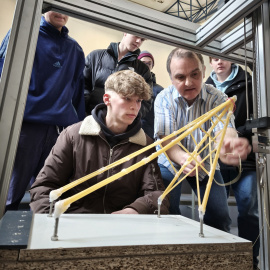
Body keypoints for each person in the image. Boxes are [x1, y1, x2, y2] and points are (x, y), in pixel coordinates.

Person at [29, 70, 170, 215]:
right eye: (127, 98)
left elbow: (156, 195)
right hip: (75, 223)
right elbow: (43, 188)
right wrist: (55, 224)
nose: (135, 107)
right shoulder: (72, 136)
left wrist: (133, 210)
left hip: (121, 228)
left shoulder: (145, 145)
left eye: (139, 100)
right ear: (107, 99)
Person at [154, 48, 251, 233]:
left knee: (220, 216)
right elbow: (168, 141)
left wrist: (227, 144)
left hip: (206, 162)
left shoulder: (218, 98)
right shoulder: (163, 99)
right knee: (166, 211)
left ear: (204, 71)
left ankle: (217, 260)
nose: (189, 82)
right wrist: (184, 159)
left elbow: (224, 129)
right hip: (170, 163)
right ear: (171, 78)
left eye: (195, 74)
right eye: (180, 77)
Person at [0, 11, 85, 211]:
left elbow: (78, 96)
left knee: (46, 198)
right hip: (23, 129)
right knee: (9, 196)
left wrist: (78, 133)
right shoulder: (23, 35)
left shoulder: (75, 50)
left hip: (58, 133)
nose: (62, 13)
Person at [205, 57, 259, 270]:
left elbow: (257, 119)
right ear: (210, 62)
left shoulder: (250, 83)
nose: (219, 62)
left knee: (249, 210)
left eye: (223, 57)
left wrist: (238, 137)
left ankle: (249, 262)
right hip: (215, 160)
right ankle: (219, 262)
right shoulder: (205, 87)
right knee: (216, 214)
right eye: (214, 58)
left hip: (244, 160)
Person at [83, 33, 153, 133]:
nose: (138, 41)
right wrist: (86, 113)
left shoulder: (142, 69)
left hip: (121, 130)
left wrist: (126, 120)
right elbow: (82, 87)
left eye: (142, 40)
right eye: (136, 36)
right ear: (125, 32)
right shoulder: (96, 56)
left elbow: (146, 101)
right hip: (91, 121)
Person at [138, 50, 163, 139]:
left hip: (150, 137)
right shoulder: (129, 86)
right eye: (143, 63)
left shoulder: (159, 90)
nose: (146, 66)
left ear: (152, 66)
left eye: (149, 63)